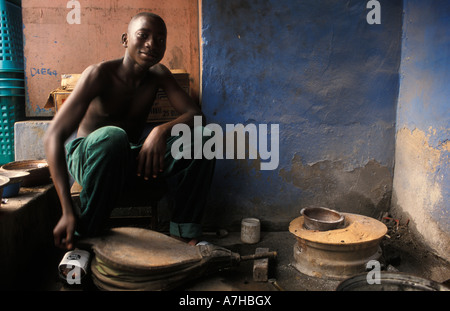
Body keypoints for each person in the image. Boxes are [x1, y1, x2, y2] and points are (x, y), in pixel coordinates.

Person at [44, 12, 215, 250]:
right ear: (126, 39)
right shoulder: (99, 74)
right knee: (114, 136)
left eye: (160, 39)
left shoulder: (158, 74)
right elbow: (53, 136)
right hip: (89, 156)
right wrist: (66, 209)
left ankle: (183, 234)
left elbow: (197, 116)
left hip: (128, 156)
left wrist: (160, 131)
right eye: (143, 36)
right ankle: (86, 234)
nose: (151, 44)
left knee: (205, 139)